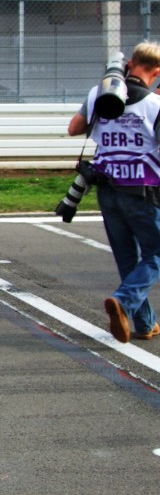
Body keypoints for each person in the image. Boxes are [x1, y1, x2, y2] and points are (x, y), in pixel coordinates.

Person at [67, 41, 160, 343]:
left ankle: (144, 323)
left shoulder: (98, 95)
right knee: (156, 253)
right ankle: (123, 301)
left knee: (126, 258)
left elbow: (74, 128)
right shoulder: (154, 105)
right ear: (156, 72)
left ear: (129, 64)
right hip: (143, 191)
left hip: (106, 189)